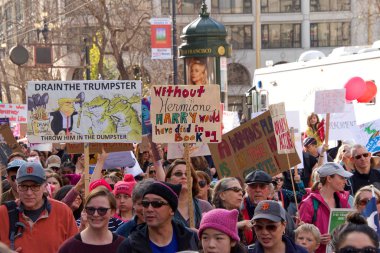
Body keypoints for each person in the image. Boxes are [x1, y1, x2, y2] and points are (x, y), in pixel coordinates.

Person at [0, 162, 78, 252]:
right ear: (17, 187)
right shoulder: (3, 213)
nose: (29, 193)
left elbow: (75, 249)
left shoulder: (63, 211)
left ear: (45, 187)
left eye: (35, 186)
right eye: (23, 186)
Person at [116, 181, 199, 253]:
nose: (149, 209)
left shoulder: (191, 239)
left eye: (157, 203)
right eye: (145, 203)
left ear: (172, 210)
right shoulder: (129, 246)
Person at [299, 162, 352, 253]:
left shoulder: (344, 202)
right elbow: (301, 237)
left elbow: (350, 228)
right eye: (342, 177)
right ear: (329, 179)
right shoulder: (308, 203)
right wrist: (317, 239)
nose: (345, 181)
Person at [58, 187, 125, 253]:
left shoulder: (124, 246)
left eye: (102, 210)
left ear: (112, 212)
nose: (96, 214)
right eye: (91, 210)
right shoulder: (69, 247)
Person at [241, 170, 296, 244]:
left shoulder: (278, 209)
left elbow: (291, 235)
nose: (258, 190)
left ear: (269, 190)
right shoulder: (238, 209)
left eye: (262, 186)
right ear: (247, 189)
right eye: (253, 186)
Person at [165, 159, 213, 228]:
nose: (184, 177)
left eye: (188, 174)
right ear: (168, 180)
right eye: (178, 174)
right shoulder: (161, 207)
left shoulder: (204, 206)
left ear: (193, 180)